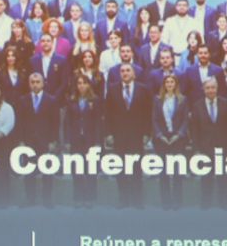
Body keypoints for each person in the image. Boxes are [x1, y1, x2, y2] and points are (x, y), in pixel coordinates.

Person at [106, 62, 152, 208]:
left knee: (136, 168)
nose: (125, 73)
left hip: (137, 135)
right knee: (120, 168)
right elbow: (108, 114)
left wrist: (146, 134)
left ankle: (137, 200)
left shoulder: (143, 90)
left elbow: (148, 113)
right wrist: (109, 134)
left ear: (134, 74)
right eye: (122, 71)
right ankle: (123, 199)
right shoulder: (112, 89)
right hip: (119, 135)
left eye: (127, 70)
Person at [18, 71, 60, 207]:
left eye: (38, 82)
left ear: (43, 83)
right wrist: (21, 141)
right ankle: (30, 199)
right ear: (29, 84)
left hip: (46, 140)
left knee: (47, 171)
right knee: (28, 171)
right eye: (32, 82)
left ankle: (47, 199)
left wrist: (54, 141)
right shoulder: (23, 100)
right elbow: (20, 122)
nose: (35, 85)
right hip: (28, 141)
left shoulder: (51, 100)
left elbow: (55, 122)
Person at [193, 77, 227, 209]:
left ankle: (225, 204)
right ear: (203, 89)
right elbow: (194, 129)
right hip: (205, 146)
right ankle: (206, 204)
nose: (210, 90)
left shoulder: (226, 104)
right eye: (208, 88)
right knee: (206, 176)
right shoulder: (197, 105)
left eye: (213, 87)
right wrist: (197, 147)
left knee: (223, 176)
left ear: (217, 89)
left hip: (222, 145)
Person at [63, 73, 103, 207]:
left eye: (84, 83)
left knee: (90, 170)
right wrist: (67, 141)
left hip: (90, 139)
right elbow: (67, 122)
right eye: (79, 83)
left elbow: (98, 122)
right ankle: (78, 198)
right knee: (77, 170)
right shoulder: (71, 100)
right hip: (75, 139)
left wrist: (98, 141)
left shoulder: (95, 100)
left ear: (89, 85)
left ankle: (90, 199)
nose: (81, 86)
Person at [151, 72, 189, 209]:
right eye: (167, 82)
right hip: (162, 138)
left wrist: (178, 134)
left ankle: (177, 202)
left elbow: (185, 120)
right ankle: (166, 202)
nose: (169, 84)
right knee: (164, 172)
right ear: (164, 85)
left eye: (172, 82)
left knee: (177, 172)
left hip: (177, 138)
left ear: (176, 84)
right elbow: (154, 119)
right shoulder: (157, 99)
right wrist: (160, 135)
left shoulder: (182, 99)